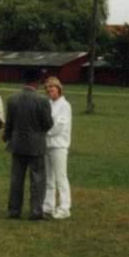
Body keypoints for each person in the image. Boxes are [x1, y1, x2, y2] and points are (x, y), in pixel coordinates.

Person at [3, 69, 53, 220]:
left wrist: (7, 136)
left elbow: (9, 123)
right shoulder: (43, 100)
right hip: (36, 145)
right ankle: (36, 211)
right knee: (37, 179)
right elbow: (48, 124)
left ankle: (14, 210)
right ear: (37, 82)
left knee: (16, 179)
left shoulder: (12, 99)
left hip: (17, 144)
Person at [43, 77, 72, 219]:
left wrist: (44, 132)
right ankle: (48, 206)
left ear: (59, 89)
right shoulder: (48, 104)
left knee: (61, 178)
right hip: (46, 146)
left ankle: (65, 208)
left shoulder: (65, 105)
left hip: (59, 146)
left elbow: (59, 127)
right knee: (49, 178)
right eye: (47, 88)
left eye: (52, 88)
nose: (49, 91)